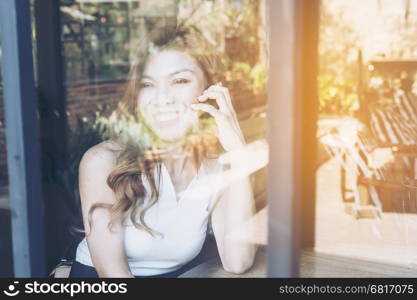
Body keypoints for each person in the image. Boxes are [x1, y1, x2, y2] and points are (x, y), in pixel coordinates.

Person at [68, 25, 257, 278]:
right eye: (148, 84)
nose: (163, 98)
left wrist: (238, 152)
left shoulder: (217, 167)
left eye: (179, 80)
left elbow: (238, 261)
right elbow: (112, 276)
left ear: (209, 90)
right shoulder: (103, 161)